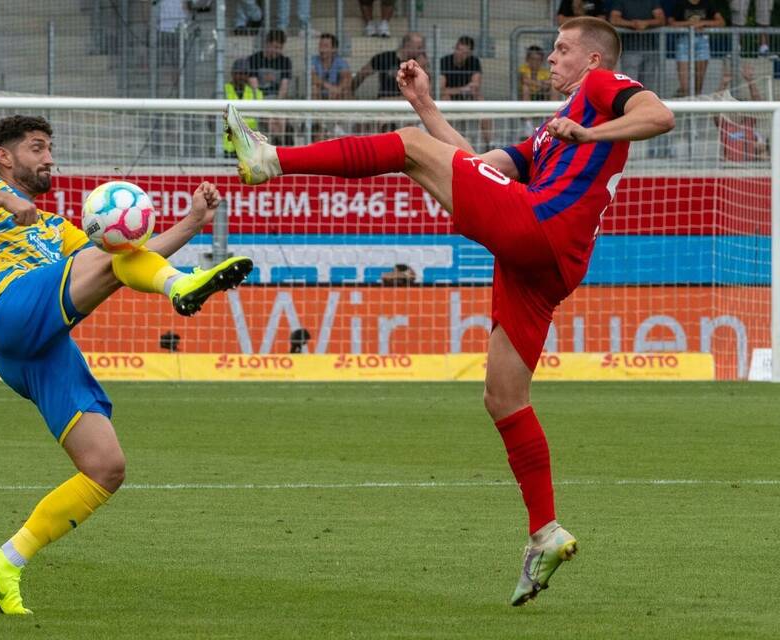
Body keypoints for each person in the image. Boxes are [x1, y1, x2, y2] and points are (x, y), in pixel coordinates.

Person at [225, 16, 674, 605]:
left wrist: (590, 136)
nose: (553, 59)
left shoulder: (599, 88)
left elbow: (661, 116)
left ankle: (272, 159)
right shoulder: (548, 134)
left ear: (592, 60)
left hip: (541, 230)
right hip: (546, 263)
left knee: (409, 151)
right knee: (504, 397)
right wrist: (426, 107)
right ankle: (544, 531)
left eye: (563, 50)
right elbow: (474, 164)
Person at [0, 115, 252, 614]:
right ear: (6, 157)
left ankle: (5, 562)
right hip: (10, 312)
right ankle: (179, 287)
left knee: (105, 468)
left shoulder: (54, 226)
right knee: (111, 253)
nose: (49, 157)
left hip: (43, 346)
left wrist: (192, 221)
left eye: (49, 148)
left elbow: (127, 260)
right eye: (37, 147)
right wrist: (1, 198)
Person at [669, 0, 726, 96]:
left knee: (698, 86)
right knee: (685, 87)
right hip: (684, 41)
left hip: (702, 41)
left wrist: (702, 23)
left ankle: (694, 109)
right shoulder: (680, 3)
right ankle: (683, 103)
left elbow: (721, 22)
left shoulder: (708, 3)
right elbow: (671, 23)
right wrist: (690, 25)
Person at [609, 0, 666, 94]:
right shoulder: (620, 1)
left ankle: (646, 107)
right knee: (630, 86)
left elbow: (661, 19)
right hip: (630, 49)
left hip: (650, 49)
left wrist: (646, 23)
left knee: (648, 87)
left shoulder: (653, 1)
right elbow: (613, 19)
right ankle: (631, 106)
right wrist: (633, 24)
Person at [247, 29, 294, 143]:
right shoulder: (254, 59)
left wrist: (276, 104)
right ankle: (278, 144)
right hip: (261, 100)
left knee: (280, 119)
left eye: (280, 48)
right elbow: (254, 87)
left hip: (278, 100)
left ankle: (277, 143)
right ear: (267, 44)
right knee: (271, 119)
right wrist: (264, 104)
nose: (277, 51)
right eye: (275, 47)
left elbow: (284, 87)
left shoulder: (285, 61)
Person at [352, 32, 426, 99]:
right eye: (419, 47)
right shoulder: (385, 58)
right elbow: (362, 74)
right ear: (408, 45)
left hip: (407, 103)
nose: (421, 51)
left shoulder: (419, 62)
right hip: (386, 101)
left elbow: (424, 91)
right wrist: (350, 91)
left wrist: (421, 67)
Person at [224, 58, 264, 155]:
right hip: (228, 147)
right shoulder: (222, 91)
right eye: (238, 73)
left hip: (250, 146)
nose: (241, 76)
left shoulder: (256, 93)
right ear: (232, 74)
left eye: (244, 73)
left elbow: (263, 119)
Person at [312, 32, 352, 100]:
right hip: (321, 92)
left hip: (335, 93)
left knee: (346, 90)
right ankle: (316, 110)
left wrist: (338, 89)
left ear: (334, 49)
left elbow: (347, 78)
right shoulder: (313, 60)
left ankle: (342, 110)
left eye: (326, 46)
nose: (322, 49)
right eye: (320, 45)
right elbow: (312, 76)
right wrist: (329, 87)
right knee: (314, 88)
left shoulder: (340, 61)